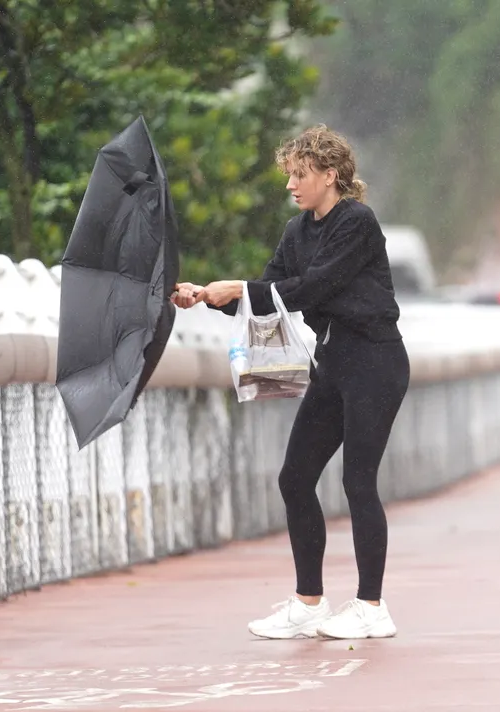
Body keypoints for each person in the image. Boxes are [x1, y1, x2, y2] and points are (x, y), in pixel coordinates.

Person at [170, 125, 409, 641]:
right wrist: (209, 295)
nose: (291, 185)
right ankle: (309, 603)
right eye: (289, 175)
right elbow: (272, 296)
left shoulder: (357, 223)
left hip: (376, 360)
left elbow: (310, 288)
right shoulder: (296, 231)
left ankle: (372, 606)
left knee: (358, 481)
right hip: (333, 361)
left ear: (331, 174)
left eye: (300, 175)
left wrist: (242, 288)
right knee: (294, 477)